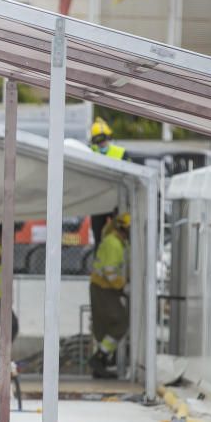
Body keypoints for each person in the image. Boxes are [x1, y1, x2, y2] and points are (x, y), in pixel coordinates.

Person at [88, 212, 130, 379]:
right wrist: (123, 286)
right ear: (124, 229)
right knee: (120, 323)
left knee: (107, 325)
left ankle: (101, 361)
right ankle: (100, 358)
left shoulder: (117, 242)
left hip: (104, 288)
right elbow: (110, 271)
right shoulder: (114, 244)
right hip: (104, 289)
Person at [89, 118, 128, 247]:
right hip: (98, 201)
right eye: (97, 140)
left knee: (120, 234)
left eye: (103, 139)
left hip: (116, 201)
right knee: (98, 237)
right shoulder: (89, 153)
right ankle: (99, 262)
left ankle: (122, 263)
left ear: (109, 137)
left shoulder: (120, 153)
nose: (101, 144)